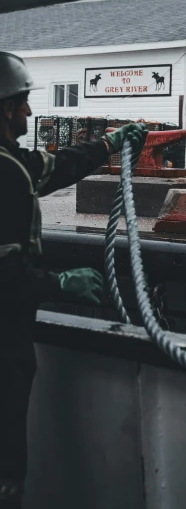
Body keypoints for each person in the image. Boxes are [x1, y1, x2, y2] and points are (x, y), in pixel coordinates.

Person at [0, 51, 147, 507]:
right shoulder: (4, 173)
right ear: (6, 107)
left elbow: (53, 168)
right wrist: (58, 284)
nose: (29, 110)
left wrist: (108, 144)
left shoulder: (13, 164)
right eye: (23, 101)